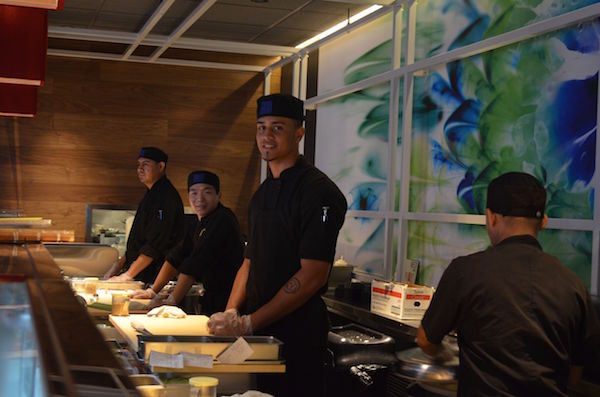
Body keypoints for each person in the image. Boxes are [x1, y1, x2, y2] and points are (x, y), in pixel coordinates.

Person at [207, 94, 347, 397]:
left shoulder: (319, 192)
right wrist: (232, 312)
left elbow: (313, 276)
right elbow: (249, 261)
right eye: (261, 127)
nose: (266, 137)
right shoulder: (261, 195)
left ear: (299, 133)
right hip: (258, 335)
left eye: (277, 128)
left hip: (297, 338)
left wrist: (248, 323)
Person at [416, 171, 600, 396]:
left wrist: (443, 354)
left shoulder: (466, 271)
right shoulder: (574, 285)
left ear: (491, 217)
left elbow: (425, 340)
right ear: (543, 221)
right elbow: (574, 376)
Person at [132, 170, 244, 315]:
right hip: (211, 297)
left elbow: (196, 262)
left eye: (207, 192)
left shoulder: (223, 219)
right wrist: (153, 291)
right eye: (194, 193)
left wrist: (172, 300)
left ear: (219, 195)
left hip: (228, 301)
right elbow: (176, 257)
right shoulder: (196, 222)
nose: (200, 199)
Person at [104, 147, 185, 284]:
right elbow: (138, 241)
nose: (140, 169)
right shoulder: (151, 193)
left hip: (155, 277)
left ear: (160, 166)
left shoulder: (165, 196)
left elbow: (154, 245)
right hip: (141, 273)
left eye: (145, 164)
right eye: (139, 165)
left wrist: (127, 275)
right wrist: (118, 266)